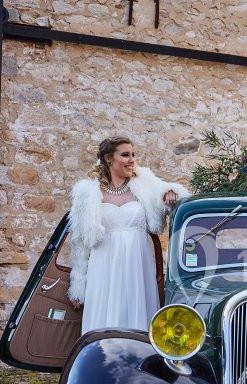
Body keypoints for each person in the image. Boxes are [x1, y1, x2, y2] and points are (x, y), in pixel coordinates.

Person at [67, 136, 190, 333]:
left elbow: (175, 195)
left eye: (133, 154)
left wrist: (170, 193)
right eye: (125, 155)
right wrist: (78, 283)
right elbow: (80, 242)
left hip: (137, 263)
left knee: (137, 312)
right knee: (104, 317)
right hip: (103, 265)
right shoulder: (88, 193)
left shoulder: (145, 184)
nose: (131, 159)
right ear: (109, 159)